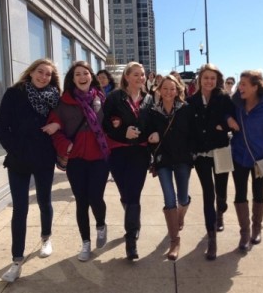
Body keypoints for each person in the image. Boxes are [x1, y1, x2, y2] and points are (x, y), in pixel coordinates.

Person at [0, 58, 61, 282]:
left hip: (44, 158)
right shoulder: (14, 94)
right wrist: (17, 151)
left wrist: (58, 125)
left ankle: (46, 238)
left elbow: (66, 121)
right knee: (20, 209)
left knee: (44, 201)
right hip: (18, 160)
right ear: (31, 72)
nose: (44, 77)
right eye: (40, 72)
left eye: (48, 74)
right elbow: (1, 129)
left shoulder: (55, 98)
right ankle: (16, 261)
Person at [48, 61, 110, 262]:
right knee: (81, 202)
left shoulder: (102, 99)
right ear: (72, 79)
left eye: (85, 73)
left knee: (95, 198)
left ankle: (101, 224)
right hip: (76, 160)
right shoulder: (64, 102)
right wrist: (65, 145)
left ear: (91, 76)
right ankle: (85, 242)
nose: (82, 77)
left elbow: (111, 126)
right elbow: (54, 128)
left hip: (99, 159)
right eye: (78, 74)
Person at [102, 61, 154, 260]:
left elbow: (151, 125)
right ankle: (134, 220)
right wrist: (123, 132)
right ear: (126, 77)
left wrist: (153, 135)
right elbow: (105, 123)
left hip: (139, 153)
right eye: (136, 75)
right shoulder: (114, 97)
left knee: (134, 195)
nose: (140, 78)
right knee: (125, 195)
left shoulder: (149, 99)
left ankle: (131, 239)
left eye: (142, 75)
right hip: (118, 153)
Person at [187, 63, 239, 260]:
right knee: (208, 194)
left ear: (217, 80)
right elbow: (190, 127)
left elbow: (233, 119)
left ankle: (221, 210)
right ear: (200, 79)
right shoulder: (191, 101)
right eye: (205, 77)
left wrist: (224, 124)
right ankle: (212, 240)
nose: (209, 81)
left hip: (221, 150)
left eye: (213, 78)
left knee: (221, 192)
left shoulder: (224, 98)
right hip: (201, 154)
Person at [230, 70, 263, 252]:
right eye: (239, 83)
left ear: (255, 87)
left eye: (244, 84)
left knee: (258, 194)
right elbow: (223, 113)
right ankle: (244, 233)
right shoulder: (237, 104)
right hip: (238, 156)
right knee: (240, 194)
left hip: (261, 159)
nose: (240, 87)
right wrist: (228, 118)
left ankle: (257, 228)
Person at [147, 75, 194, 261]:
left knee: (183, 197)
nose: (168, 92)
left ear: (178, 90)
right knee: (169, 197)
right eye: (165, 88)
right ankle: (175, 241)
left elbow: (192, 134)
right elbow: (147, 135)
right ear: (159, 90)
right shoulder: (152, 111)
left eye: (172, 89)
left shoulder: (185, 110)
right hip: (163, 160)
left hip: (182, 159)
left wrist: (191, 155)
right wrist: (153, 138)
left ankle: (180, 216)